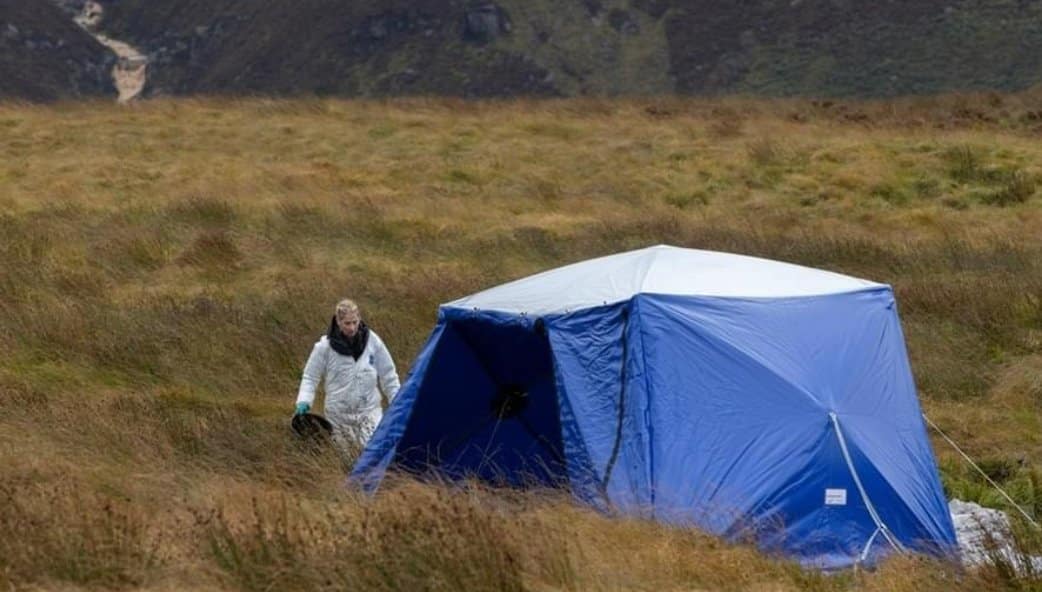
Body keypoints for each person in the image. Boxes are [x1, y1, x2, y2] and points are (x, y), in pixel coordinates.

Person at [295, 299, 401, 461]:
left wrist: (398, 404)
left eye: (354, 322)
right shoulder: (324, 348)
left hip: (369, 413)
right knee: (346, 460)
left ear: (359, 319)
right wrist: (304, 401)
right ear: (338, 322)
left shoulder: (373, 341)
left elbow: (389, 375)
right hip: (339, 418)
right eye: (346, 323)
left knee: (372, 457)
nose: (351, 327)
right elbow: (310, 377)